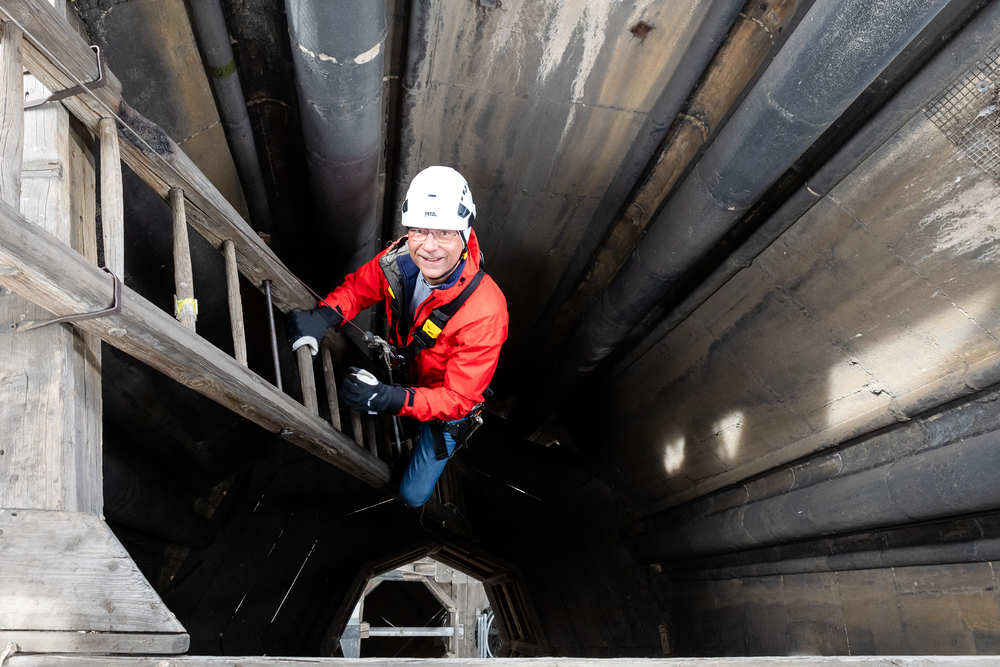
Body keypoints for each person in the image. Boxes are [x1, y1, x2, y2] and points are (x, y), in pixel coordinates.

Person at [286, 166, 508, 507]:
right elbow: (361, 288)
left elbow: (458, 398)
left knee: (413, 495)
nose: (428, 247)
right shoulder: (402, 259)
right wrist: (324, 316)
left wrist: (389, 399)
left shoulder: (485, 311)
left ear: (464, 234)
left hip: (446, 405)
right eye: (419, 230)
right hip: (409, 373)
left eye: (444, 232)